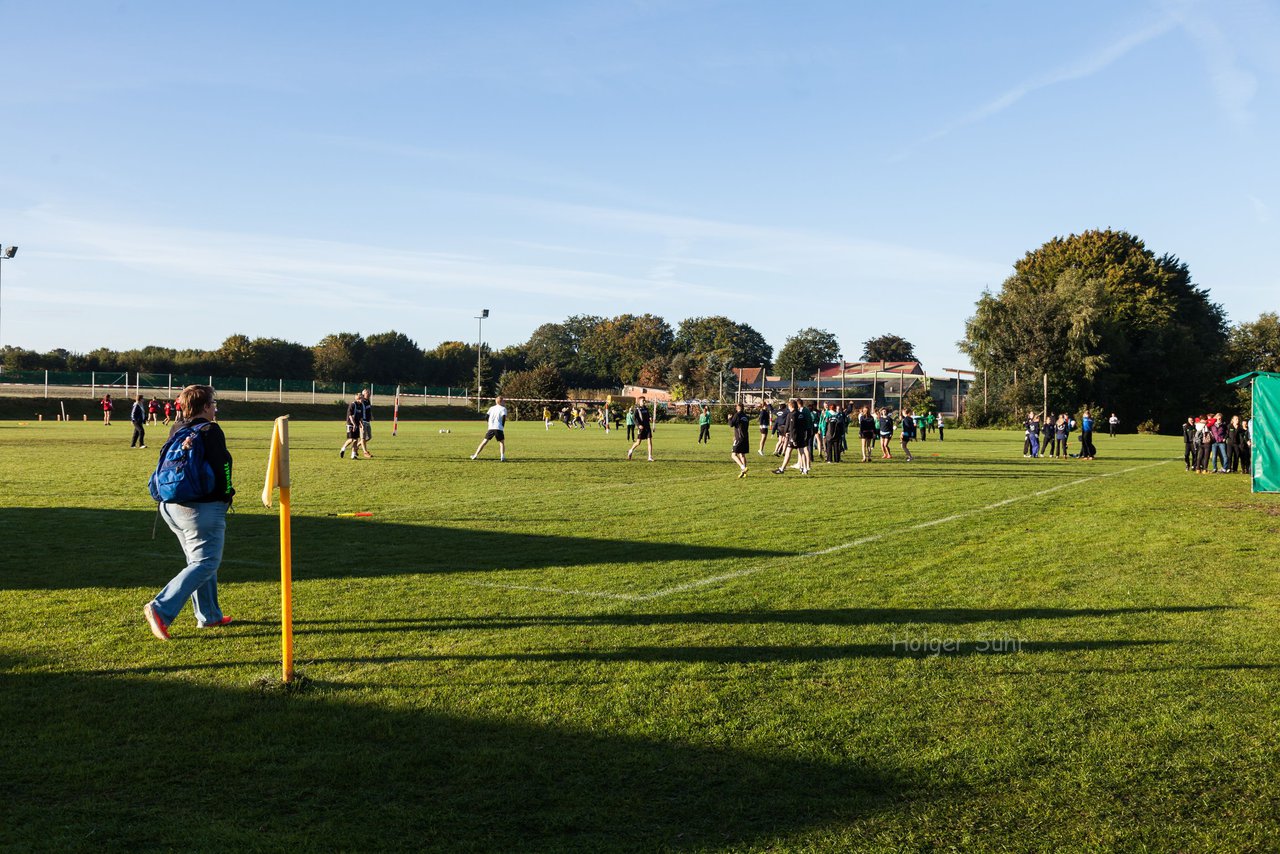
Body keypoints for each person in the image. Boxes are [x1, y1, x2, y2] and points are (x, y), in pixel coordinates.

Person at [142, 384, 235, 641]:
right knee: (205, 562)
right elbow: (223, 466)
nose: (215, 407)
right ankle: (160, 608)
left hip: (170, 506)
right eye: (213, 403)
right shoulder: (210, 429)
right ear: (205, 406)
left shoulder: (177, 427)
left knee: (198, 561)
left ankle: (209, 615)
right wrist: (227, 494)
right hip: (201, 508)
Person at [471, 395, 508, 461]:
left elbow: (486, 416)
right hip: (498, 428)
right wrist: (502, 426)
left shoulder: (491, 408)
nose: (504, 402)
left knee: (484, 442)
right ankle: (502, 457)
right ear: (501, 401)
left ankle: (475, 455)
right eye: (503, 401)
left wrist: (489, 424)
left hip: (491, 428)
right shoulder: (503, 409)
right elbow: (504, 418)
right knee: (501, 443)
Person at [626, 397, 654, 461]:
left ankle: (650, 457)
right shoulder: (637, 409)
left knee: (649, 441)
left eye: (644, 400)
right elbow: (634, 418)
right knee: (638, 442)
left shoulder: (646, 409)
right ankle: (630, 450)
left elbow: (648, 416)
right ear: (639, 402)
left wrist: (650, 418)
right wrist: (638, 425)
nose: (644, 402)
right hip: (641, 428)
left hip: (647, 427)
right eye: (643, 401)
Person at [728, 402, 750, 478]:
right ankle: (744, 473)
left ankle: (743, 468)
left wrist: (730, 418)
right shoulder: (746, 416)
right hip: (745, 437)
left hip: (739, 438)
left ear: (737, 407)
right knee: (742, 454)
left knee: (733, 455)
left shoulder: (737, 415)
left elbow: (731, 424)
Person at [339, 395, 365, 460]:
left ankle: (353, 456)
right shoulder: (353, 405)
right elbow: (350, 416)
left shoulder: (361, 406)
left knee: (356, 440)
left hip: (356, 424)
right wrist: (354, 424)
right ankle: (343, 449)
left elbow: (360, 417)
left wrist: (362, 424)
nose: (363, 399)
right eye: (362, 398)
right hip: (350, 424)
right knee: (351, 439)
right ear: (358, 398)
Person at [358, 389, 374, 458]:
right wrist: (359, 421)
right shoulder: (361, 401)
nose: (369, 394)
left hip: (367, 421)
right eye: (368, 393)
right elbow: (358, 412)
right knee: (363, 438)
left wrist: (371, 415)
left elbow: (369, 410)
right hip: (362, 421)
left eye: (369, 393)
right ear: (364, 394)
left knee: (369, 437)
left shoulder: (368, 401)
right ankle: (365, 452)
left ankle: (356, 446)